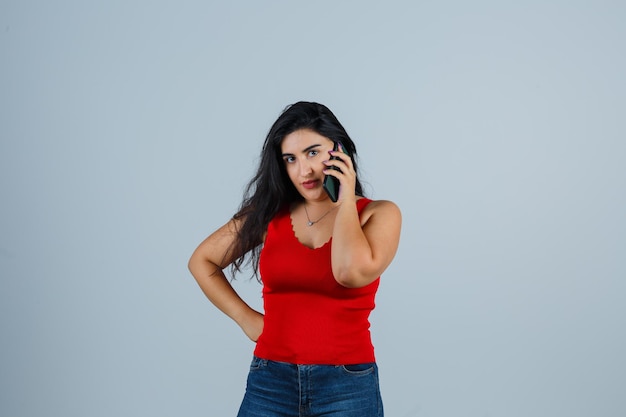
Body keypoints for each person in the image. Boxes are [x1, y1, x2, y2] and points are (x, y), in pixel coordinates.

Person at [188, 101, 402, 417]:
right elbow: (202, 260)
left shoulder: (378, 214)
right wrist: (248, 320)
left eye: (313, 152)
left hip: (347, 385)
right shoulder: (268, 216)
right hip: (270, 381)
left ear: (339, 149)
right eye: (291, 159)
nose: (303, 170)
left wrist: (344, 201)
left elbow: (348, 273)